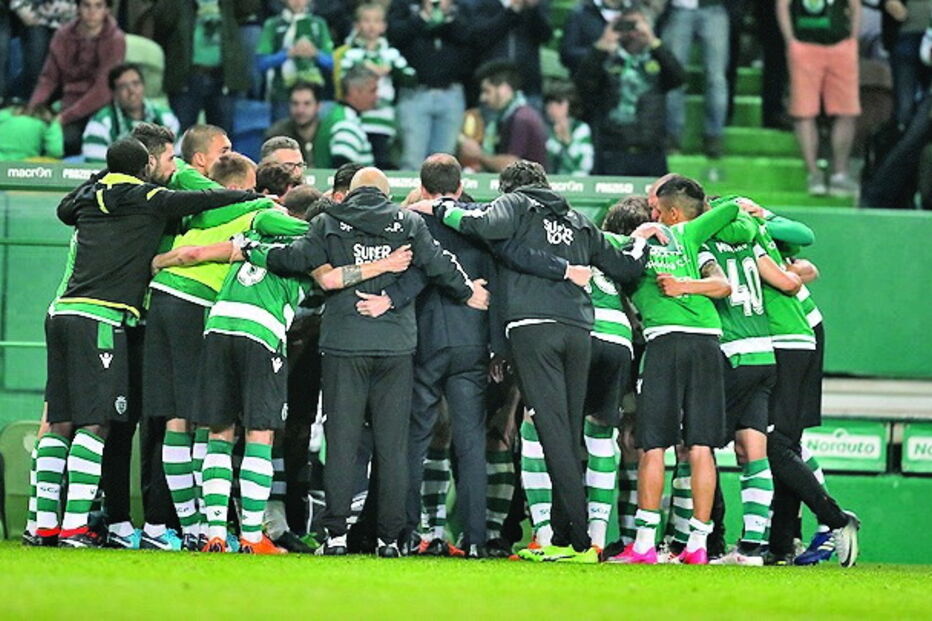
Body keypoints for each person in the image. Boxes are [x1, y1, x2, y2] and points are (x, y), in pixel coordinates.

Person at [409, 160, 651, 563]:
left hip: (533, 327)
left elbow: (482, 225)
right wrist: (643, 241)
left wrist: (438, 208)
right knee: (568, 431)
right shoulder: (576, 220)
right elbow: (626, 267)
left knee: (551, 431)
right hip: (577, 329)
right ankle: (567, 536)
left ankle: (575, 543)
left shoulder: (516, 204)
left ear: (509, 188)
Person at [240, 167, 488, 557]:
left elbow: (295, 257)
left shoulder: (327, 221)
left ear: (352, 193)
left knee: (341, 442)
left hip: (343, 344)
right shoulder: (406, 222)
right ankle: (389, 539)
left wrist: (251, 250)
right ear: (386, 193)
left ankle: (335, 536)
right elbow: (438, 263)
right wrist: (466, 291)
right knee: (392, 444)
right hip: (396, 347)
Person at [32, 137, 258, 548]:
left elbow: (64, 209)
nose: (173, 166)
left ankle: (43, 524)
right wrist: (248, 196)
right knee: (97, 421)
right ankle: (74, 528)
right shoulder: (148, 197)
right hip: (100, 317)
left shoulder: (88, 199)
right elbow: (200, 202)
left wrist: (99, 177)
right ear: (147, 164)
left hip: (61, 314)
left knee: (60, 420)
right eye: (169, 159)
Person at [140, 124, 268, 551]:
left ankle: (169, 529)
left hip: (159, 301)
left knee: (175, 416)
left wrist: (163, 259)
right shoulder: (243, 208)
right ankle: (200, 528)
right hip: (196, 305)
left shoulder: (193, 209)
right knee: (204, 418)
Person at [606, 175, 746, 566]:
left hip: (666, 343)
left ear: (669, 212)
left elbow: (597, 245)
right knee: (700, 446)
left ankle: (645, 545)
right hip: (707, 343)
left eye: (654, 210)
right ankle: (698, 546)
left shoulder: (642, 246)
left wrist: (644, 238)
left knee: (654, 446)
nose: (650, 215)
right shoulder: (693, 240)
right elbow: (732, 208)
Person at [574, 6, 685, 176]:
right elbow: (584, 84)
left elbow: (678, 77)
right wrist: (603, 44)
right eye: (627, 26)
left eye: (637, 25)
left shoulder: (657, 59)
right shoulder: (606, 59)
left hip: (652, 150)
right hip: (613, 150)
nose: (633, 32)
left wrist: (653, 41)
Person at [776, 0, 861, 197]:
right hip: (804, 46)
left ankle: (840, 174)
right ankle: (813, 173)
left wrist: (852, 41)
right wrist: (791, 41)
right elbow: (782, 5)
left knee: (846, 111)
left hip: (840, 45)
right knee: (804, 111)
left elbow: (855, 6)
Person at [27, 0, 126, 155]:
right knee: (34, 131)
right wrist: (32, 109)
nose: (92, 12)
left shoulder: (115, 39)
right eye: (86, 5)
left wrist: (64, 118)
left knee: (66, 140)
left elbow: (103, 89)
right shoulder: (63, 35)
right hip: (67, 102)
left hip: (100, 107)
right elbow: (48, 78)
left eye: (98, 6)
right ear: (78, 8)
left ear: (107, 10)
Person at [388, 0, 473, 170]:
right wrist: (422, 17)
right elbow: (394, 34)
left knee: (444, 162)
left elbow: (472, 37)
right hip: (415, 93)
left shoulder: (460, 7)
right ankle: (412, 197)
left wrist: (448, 17)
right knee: (412, 158)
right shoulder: (404, 6)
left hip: (451, 93)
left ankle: (442, 197)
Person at [152, 0, 255, 133]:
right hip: (187, 78)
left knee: (221, 138)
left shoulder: (228, 4)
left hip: (222, 78)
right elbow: (162, 21)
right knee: (180, 136)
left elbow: (250, 7)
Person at [339, 2, 417, 168]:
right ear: (357, 25)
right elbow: (343, 80)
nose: (371, 26)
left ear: (383, 26)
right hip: (358, 119)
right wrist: (365, 67)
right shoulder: (352, 53)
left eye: (376, 21)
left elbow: (411, 77)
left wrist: (391, 69)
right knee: (357, 163)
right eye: (366, 21)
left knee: (381, 161)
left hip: (384, 120)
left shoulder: (390, 54)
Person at [661, 0, 730, 157]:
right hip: (680, 7)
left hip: (714, 8)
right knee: (673, 75)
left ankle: (714, 135)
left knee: (716, 78)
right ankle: (672, 134)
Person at [459, 61, 547, 172]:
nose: (483, 98)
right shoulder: (507, 117)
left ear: (503, 89)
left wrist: (478, 154)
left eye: (487, 91)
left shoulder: (521, 119)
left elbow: (511, 164)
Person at [82, 63, 180, 163]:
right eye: (123, 86)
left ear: (143, 86)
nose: (131, 91)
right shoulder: (100, 123)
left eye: (136, 83)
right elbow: (96, 166)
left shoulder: (165, 116)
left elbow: (178, 158)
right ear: (114, 93)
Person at [256, 0, 334, 122]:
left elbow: (331, 63)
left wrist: (315, 53)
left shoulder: (318, 24)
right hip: (282, 95)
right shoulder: (272, 24)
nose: (298, 1)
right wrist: (288, 54)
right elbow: (262, 63)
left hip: (313, 95)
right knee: (281, 137)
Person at [470, 0, 552, 104]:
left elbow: (545, 36)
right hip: (493, 86)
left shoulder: (536, 5)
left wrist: (533, 9)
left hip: (528, 87)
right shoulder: (483, 4)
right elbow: (479, 38)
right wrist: (511, 11)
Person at [312, 65, 378, 168]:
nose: (376, 96)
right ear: (355, 91)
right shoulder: (346, 123)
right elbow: (342, 172)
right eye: (372, 90)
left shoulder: (337, 114)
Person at [264, 82, 322, 165]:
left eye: (307, 104)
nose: (300, 110)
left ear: (318, 106)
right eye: (295, 104)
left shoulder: (329, 133)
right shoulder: (277, 135)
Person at [543, 83, 594, 176]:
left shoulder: (581, 129)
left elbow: (586, 165)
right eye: (548, 105)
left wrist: (568, 142)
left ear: (567, 105)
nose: (550, 109)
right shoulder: (546, 131)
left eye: (556, 104)